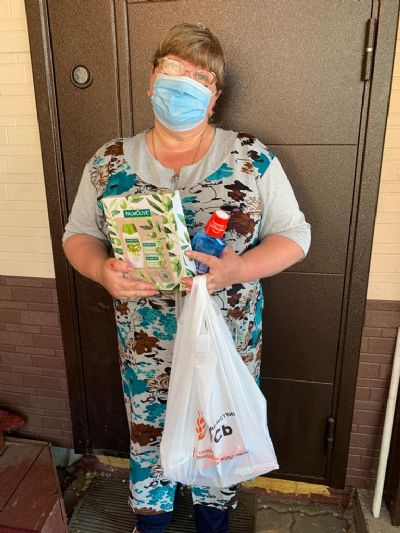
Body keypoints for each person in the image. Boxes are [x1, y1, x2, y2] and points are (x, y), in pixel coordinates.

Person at [63, 22, 311, 533]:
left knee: (219, 431)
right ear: (152, 80)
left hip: (227, 343)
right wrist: (100, 270)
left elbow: (295, 234)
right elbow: (78, 235)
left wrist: (241, 268)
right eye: (173, 68)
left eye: (200, 76)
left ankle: (212, 522)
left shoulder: (250, 157)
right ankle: (151, 524)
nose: (184, 83)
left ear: (214, 97)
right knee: (149, 436)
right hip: (146, 351)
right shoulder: (109, 162)